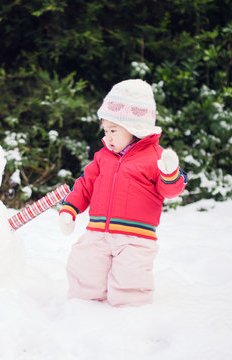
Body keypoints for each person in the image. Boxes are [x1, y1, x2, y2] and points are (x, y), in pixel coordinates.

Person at [59, 79, 187, 307]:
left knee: (131, 281)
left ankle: (129, 320)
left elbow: (170, 191)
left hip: (135, 238)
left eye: (113, 130)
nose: (107, 137)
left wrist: (169, 173)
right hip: (98, 232)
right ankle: (82, 311)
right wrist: (70, 208)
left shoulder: (154, 157)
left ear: (135, 128)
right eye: (105, 130)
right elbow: (85, 184)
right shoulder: (102, 157)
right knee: (84, 267)